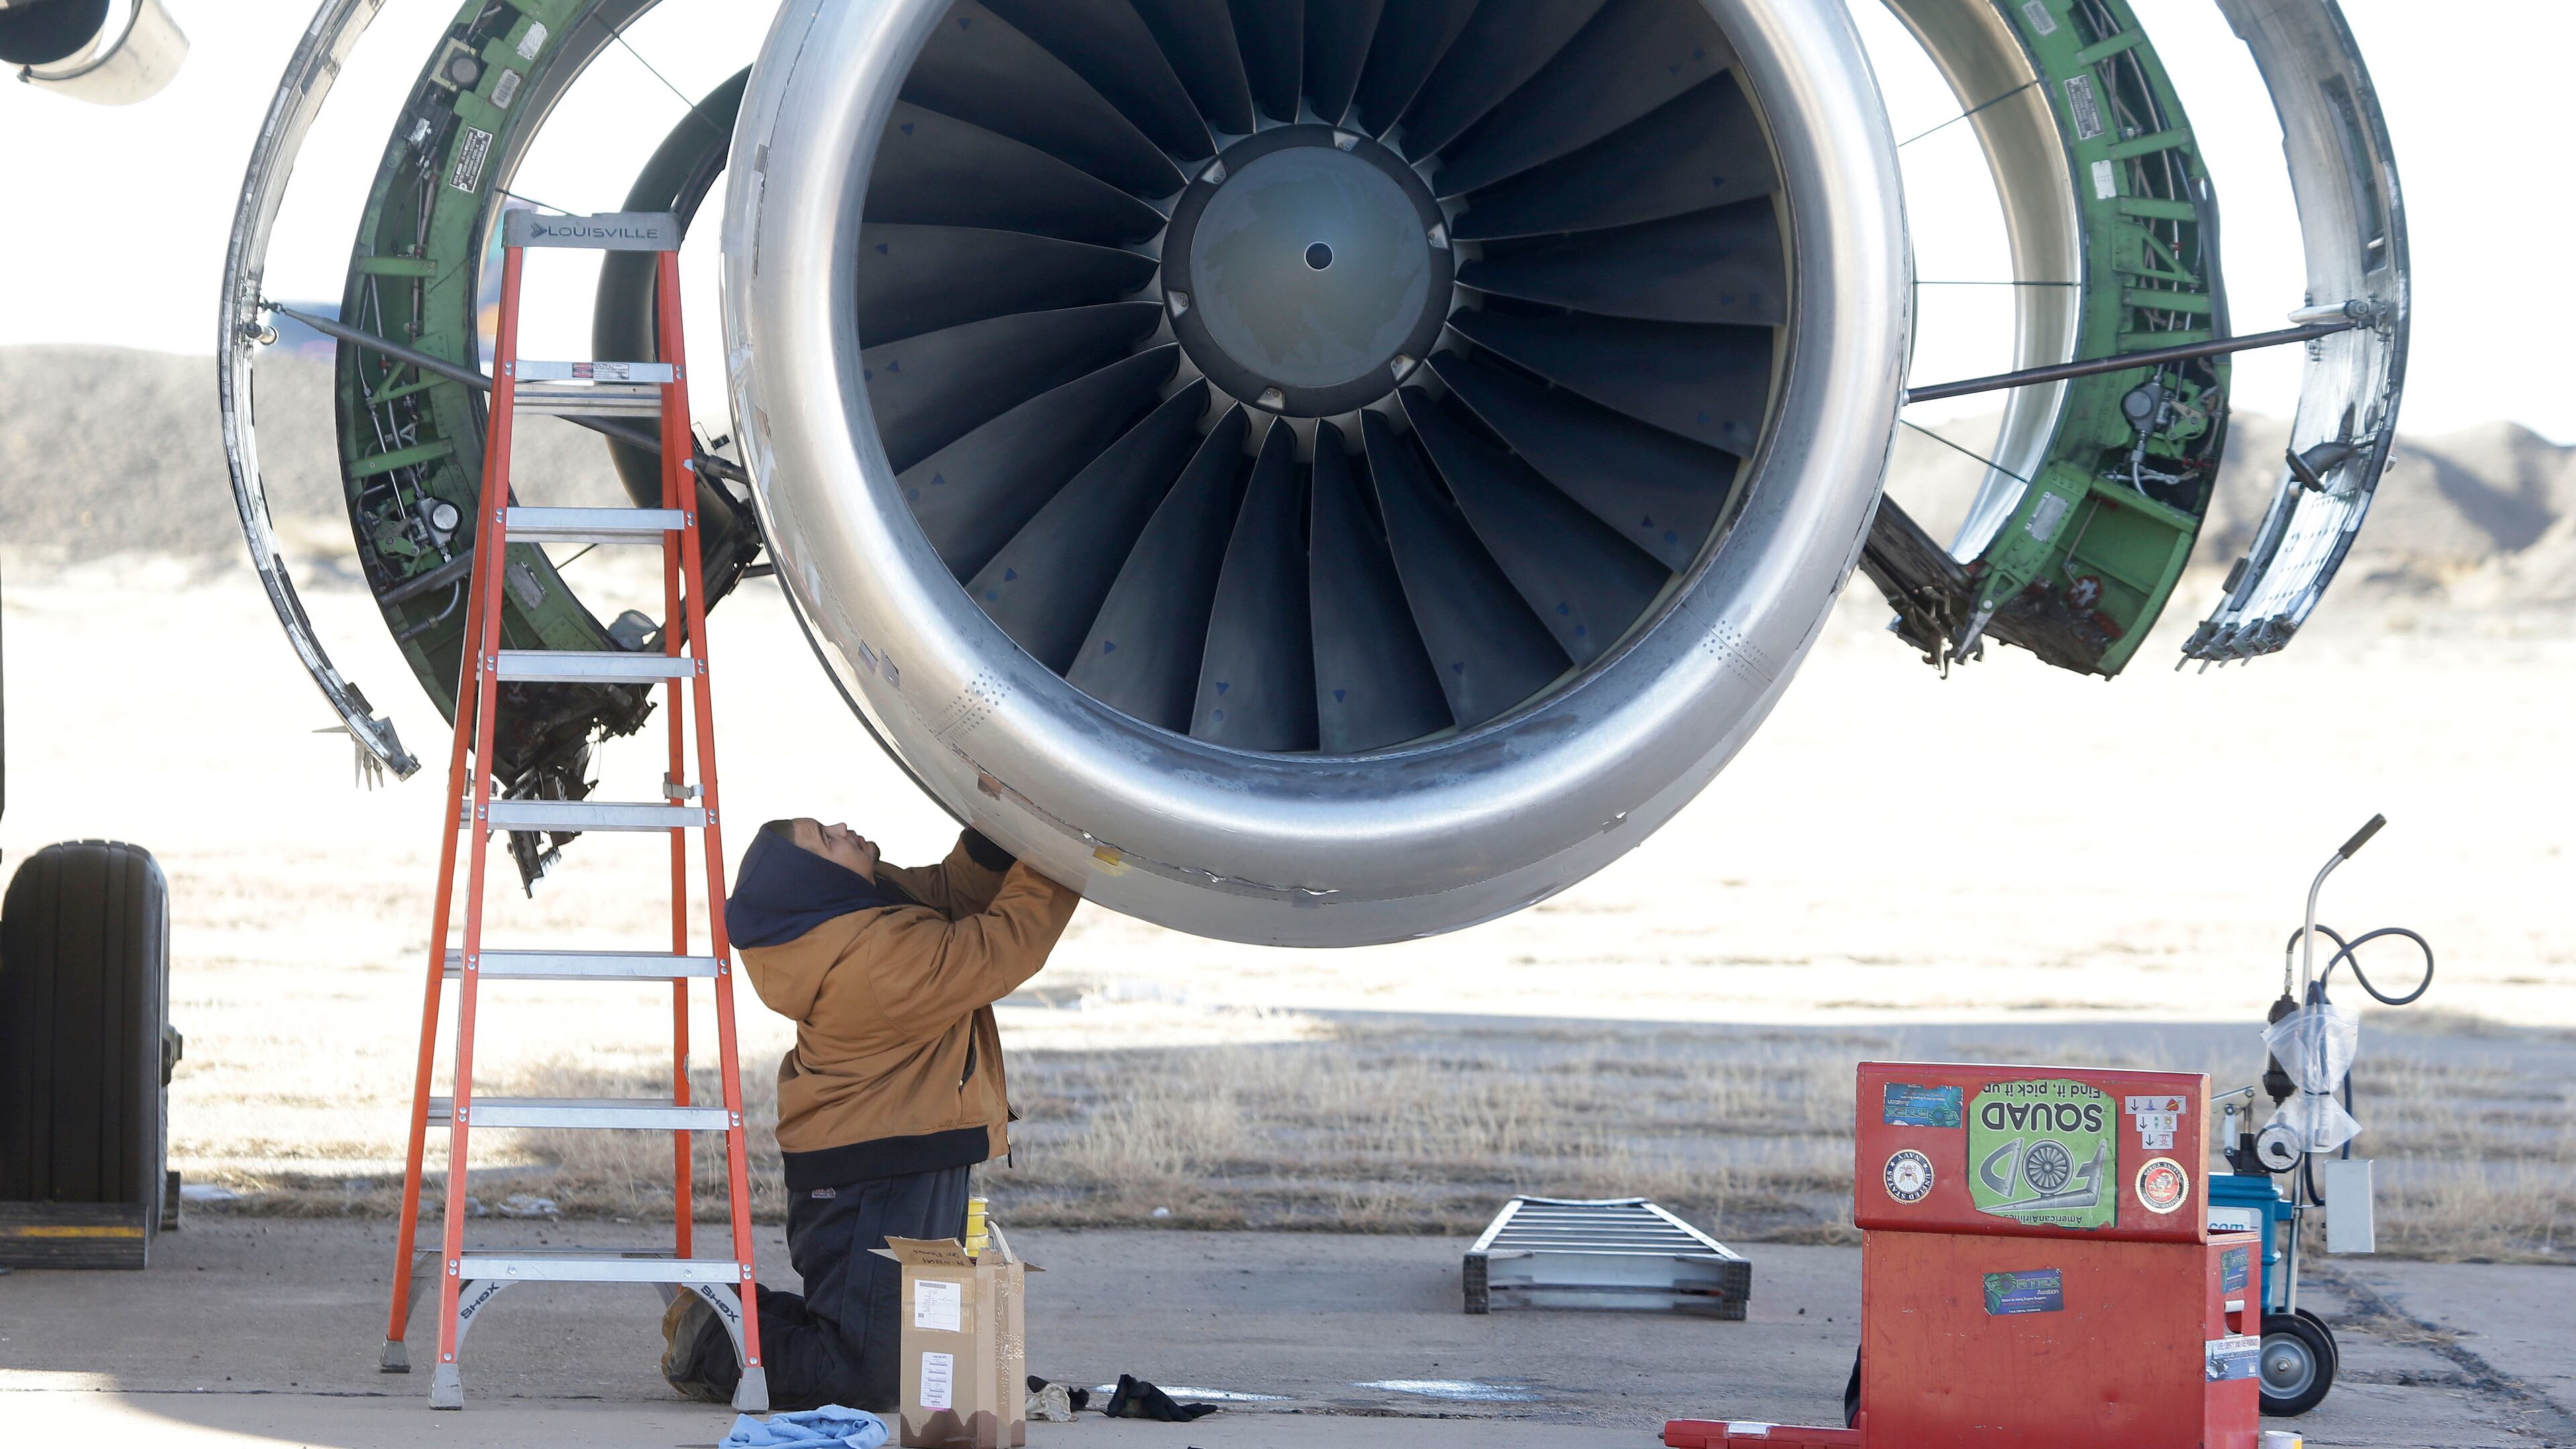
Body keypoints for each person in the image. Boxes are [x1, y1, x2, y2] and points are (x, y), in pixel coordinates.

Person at [661, 817, 1081, 1409]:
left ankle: (741, 1315)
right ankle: (709, 1337)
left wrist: (1001, 833)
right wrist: (1073, 842)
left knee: (908, 1353)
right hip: (869, 1176)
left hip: (906, 1155)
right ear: (818, 882)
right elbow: (1005, 943)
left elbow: (951, 895)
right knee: (865, 1374)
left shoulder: (858, 913)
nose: (842, 828)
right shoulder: (875, 960)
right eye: (826, 840)